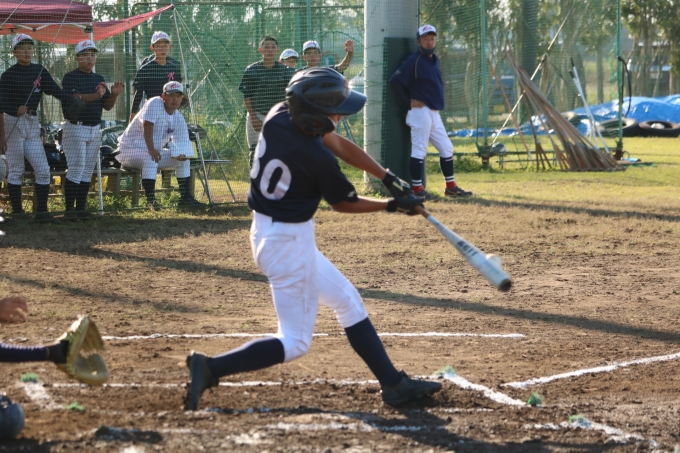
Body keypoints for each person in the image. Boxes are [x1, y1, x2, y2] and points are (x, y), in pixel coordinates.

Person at [184, 67, 442, 411]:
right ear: (314, 116)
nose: (340, 116)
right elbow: (344, 203)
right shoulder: (315, 159)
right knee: (295, 341)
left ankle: (393, 384)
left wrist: (386, 177)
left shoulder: (280, 115)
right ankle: (210, 368)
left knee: (347, 300)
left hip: (272, 234)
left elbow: (336, 141)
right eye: (335, 111)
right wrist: (392, 205)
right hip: (287, 245)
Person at [0, 34, 78, 222]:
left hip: (32, 123)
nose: (27, 52)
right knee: (16, 169)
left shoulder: (40, 71)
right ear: (15, 52)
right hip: (13, 122)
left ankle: (41, 212)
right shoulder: (8, 75)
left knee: (43, 168)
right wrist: (14, 109)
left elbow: (54, 90)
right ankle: (18, 213)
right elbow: (1, 103)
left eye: (29, 48)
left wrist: (71, 100)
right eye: (22, 48)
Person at [389, 25, 472, 199]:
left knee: (447, 148)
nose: (429, 42)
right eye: (425, 39)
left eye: (432, 38)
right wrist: (408, 102)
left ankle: (451, 187)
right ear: (418, 42)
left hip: (434, 112)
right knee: (419, 150)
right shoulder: (414, 60)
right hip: (420, 112)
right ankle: (417, 190)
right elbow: (395, 81)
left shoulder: (435, 58)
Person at [61, 40, 123, 220]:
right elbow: (75, 98)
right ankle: (69, 210)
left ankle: (81, 208)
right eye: (85, 55)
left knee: (88, 168)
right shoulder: (70, 77)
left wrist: (114, 94)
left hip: (94, 128)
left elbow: (107, 106)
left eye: (92, 55)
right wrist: (96, 95)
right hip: (76, 126)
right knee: (76, 167)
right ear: (77, 57)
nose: (89, 58)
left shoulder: (98, 78)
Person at [117, 81, 203, 209]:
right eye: (171, 95)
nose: (175, 99)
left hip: (152, 152)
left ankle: (185, 199)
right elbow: (147, 125)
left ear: (182, 98)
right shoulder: (155, 102)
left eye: (178, 96)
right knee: (150, 158)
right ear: (164, 97)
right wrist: (151, 149)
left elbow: (182, 143)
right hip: (128, 150)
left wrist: (181, 155)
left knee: (184, 161)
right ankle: (151, 201)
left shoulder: (178, 118)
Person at [238, 36, 295, 164]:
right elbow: (246, 97)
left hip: (278, 117)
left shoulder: (285, 71)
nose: (270, 50)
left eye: (273, 47)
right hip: (257, 115)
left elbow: (293, 95)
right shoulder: (251, 70)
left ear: (277, 50)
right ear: (260, 49)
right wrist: (254, 118)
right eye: (266, 47)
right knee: (255, 153)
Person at [130, 31, 182, 122]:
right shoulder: (145, 69)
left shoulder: (174, 68)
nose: (162, 49)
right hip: (152, 111)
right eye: (159, 46)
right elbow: (138, 93)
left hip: (170, 112)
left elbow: (178, 92)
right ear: (152, 48)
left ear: (169, 46)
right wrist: (133, 114)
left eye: (165, 46)